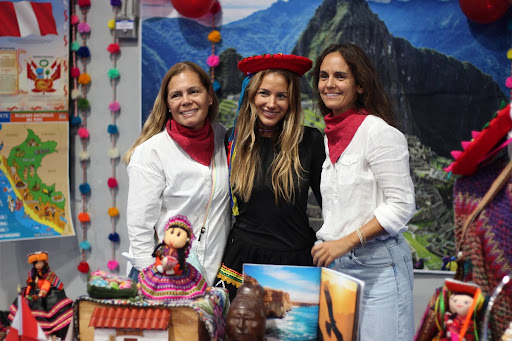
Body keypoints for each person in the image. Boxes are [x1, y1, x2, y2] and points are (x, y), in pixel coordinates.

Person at [310, 43, 416, 340]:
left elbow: (401, 205)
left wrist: (347, 241)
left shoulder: (379, 132)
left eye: (340, 76)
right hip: (336, 266)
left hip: (376, 266)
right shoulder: (330, 137)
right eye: (323, 76)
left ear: (359, 85)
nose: (329, 84)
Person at [215, 54, 325, 300]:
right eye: (264, 93)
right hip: (241, 261)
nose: (271, 103)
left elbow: (332, 204)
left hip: (294, 261)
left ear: (291, 101)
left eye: (281, 96)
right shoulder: (233, 140)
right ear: (252, 96)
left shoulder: (309, 142)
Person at [122, 62, 231, 286]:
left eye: (194, 91)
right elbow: (140, 228)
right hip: (165, 277)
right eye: (176, 95)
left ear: (209, 96)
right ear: (168, 104)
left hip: (212, 274)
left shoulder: (224, 139)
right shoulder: (151, 153)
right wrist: (152, 281)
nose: (186, 101)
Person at [138, 215, 207, 301]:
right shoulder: (162, 249)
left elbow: (180, 264)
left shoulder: (180, 254)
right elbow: (158, 257)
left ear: (187, 240)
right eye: (171, 233)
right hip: (161, 271)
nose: (173, 238)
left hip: (177, 274)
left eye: (178, 235)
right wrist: (160, 265)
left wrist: (175, 269)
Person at [8, 251, 73, 339]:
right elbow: (30, 284)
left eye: (40, 262)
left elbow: (46, 284)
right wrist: (27, 293)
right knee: (24, 304)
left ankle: (48, 334)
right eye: (36, 263)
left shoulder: (48, 273)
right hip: (34, 291)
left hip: (45, 293)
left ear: (44, 263)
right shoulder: (32, 273)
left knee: (49, 306)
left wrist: (43, 292)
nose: (38, 265)